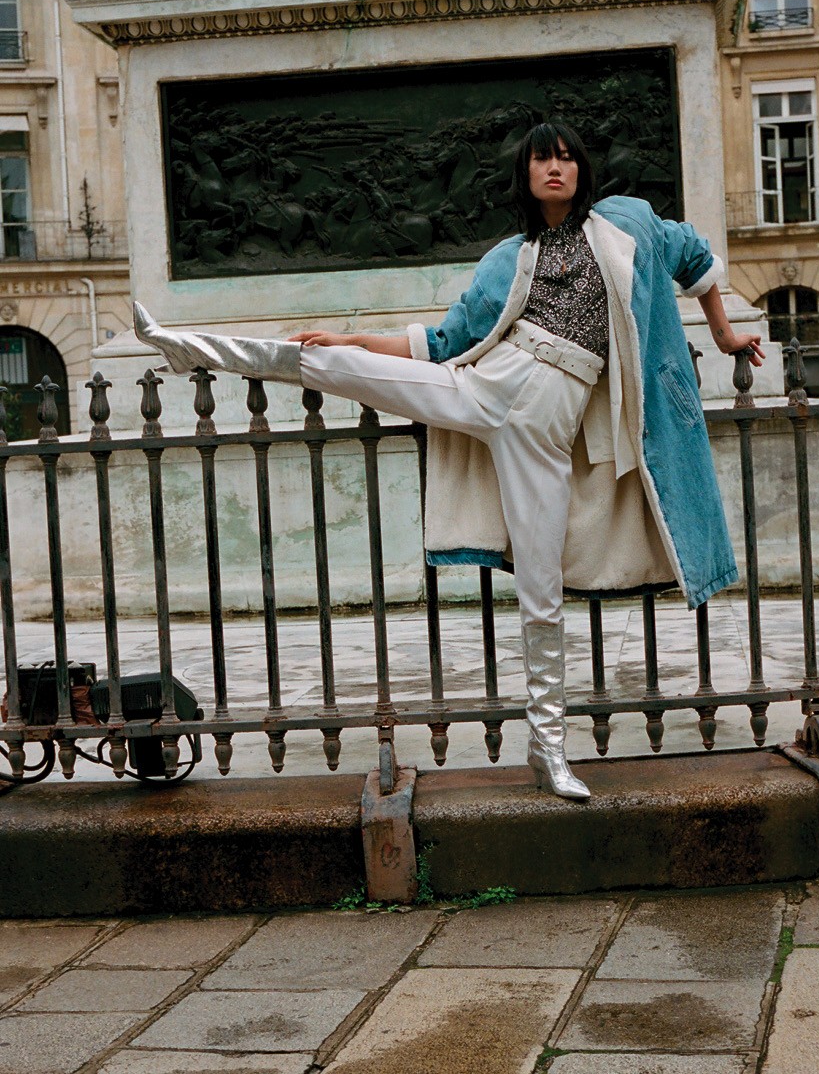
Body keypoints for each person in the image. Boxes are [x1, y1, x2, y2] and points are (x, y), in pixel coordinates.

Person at [133, 121, 763, 801]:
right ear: (525, 175)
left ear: (582, 168)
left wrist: (726, 335)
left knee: (543, 594)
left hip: (544, 435)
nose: (555, 167)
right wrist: (353, 337)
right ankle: (191, 348)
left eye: (565, 157)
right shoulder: (509, 257)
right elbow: (442, 339)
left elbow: (694, 256)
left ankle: (547, 749)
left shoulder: (627, 224)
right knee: (340, 365)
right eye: (541, 159)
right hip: (485, 388)